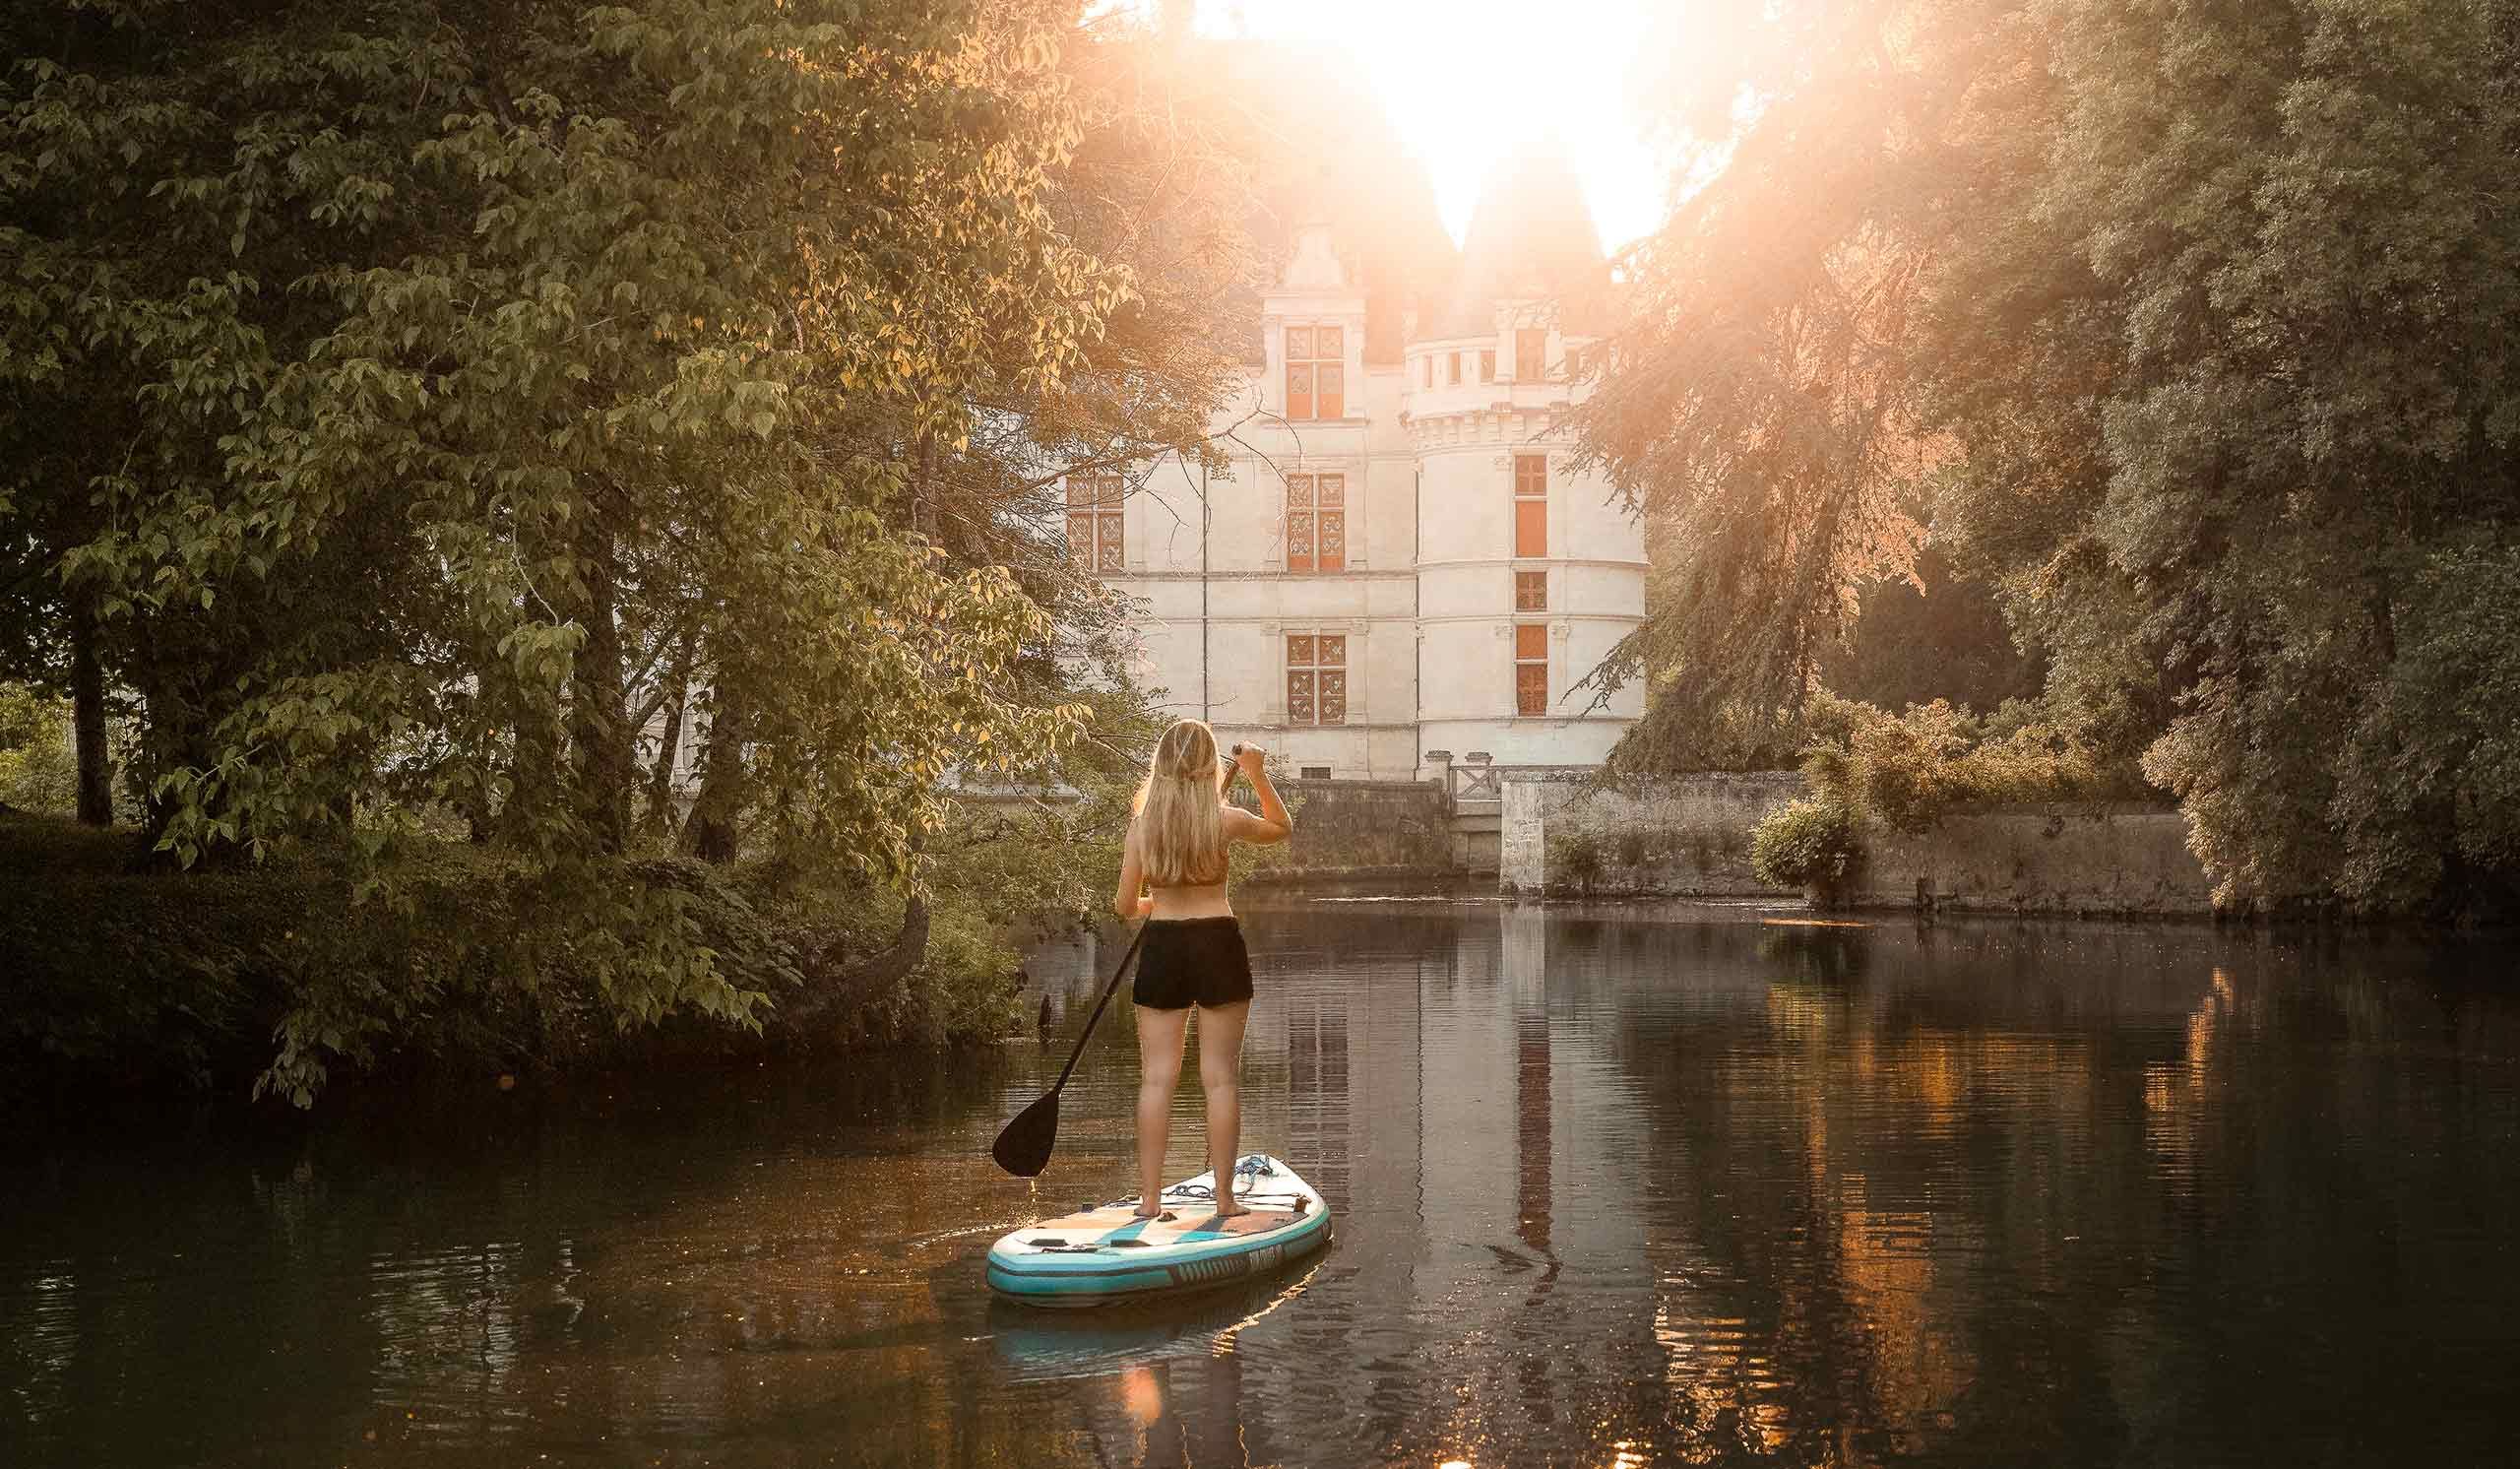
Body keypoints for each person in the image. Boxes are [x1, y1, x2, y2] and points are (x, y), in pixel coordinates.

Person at [1113, 719, 1292, 1220]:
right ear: (1211, 765)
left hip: (1165, 946)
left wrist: (1160, 904)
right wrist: (1256, 773)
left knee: (1156, 1080)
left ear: (1162, 765)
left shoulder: (1143, 824)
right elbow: (1281, 829)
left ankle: (1149, 1202)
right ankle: (1225, 1199)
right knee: (1220, 1079)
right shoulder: (1225, 818)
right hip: (1218, 941)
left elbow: (1126, 905)